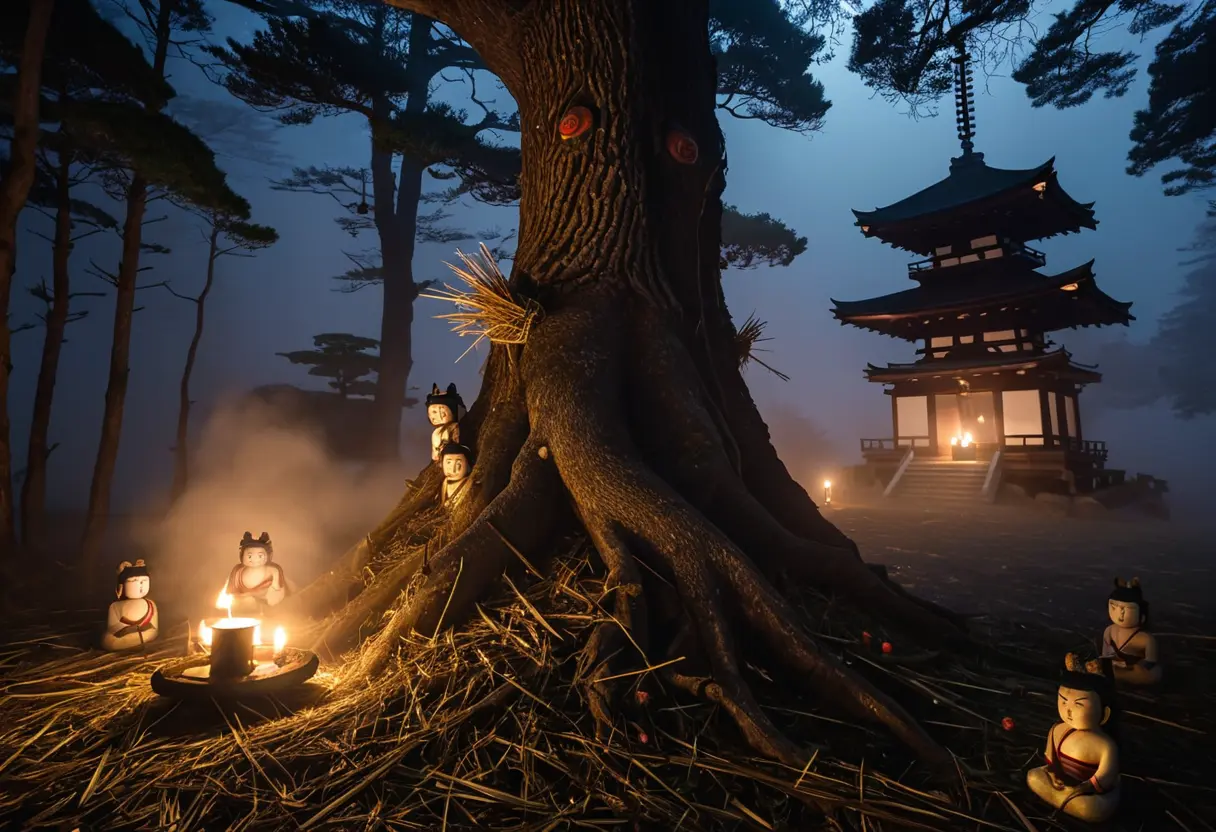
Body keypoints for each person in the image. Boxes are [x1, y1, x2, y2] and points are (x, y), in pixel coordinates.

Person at [1026, 653, 1121, 823]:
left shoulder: (1105, 745)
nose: (1068, 710)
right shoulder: (1057, 729)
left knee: (1090, 808)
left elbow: (1105, 777)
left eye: (1078, 704)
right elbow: (1051, 760)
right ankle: (1063, 799)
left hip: (1085, 793)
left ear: (1105, 713)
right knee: (1033, 777)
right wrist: (1053, 774)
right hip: (1061, 784)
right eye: (1063, 701)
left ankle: (1068, 802)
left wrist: (1083, 787)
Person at [1101, 576, 1162, 685]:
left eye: (1128, 609)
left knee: (1151, 674)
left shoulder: (1146, 639)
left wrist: (1133, 667)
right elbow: (1106, 655)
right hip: (1115, 667)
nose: (1121, 614)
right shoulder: (1109, 631)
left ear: (1142, 615)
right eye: (1115, 607)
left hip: (1135, 670)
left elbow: (1150, 661)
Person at [226, 532, 289, 616]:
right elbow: (230, 593)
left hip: (268, 610)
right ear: (242, 555)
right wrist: (245, 598)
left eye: (260, 556)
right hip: (244, 610)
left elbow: (277, 594)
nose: (255, 560)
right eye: (249, 556)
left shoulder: (273, 571)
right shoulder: (237, 572)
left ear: (268, 555)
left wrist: (275, 574)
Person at [102, 559, 159, 651]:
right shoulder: (115, 606)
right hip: (123, 638)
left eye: (144, 580)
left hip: (146, 635)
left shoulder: (151, 604)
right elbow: (112, 629)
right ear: (122, 585)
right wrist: (129, 630)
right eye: (134, 581)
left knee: (152, 633)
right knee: (107, 640)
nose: (140, 584)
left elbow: (154, 629)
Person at [426, 383, 467, 462]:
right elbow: (434, 455)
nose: (440, 416)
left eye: (443, 412)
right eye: (434, 412)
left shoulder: (454, 428)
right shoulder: (436, 433)